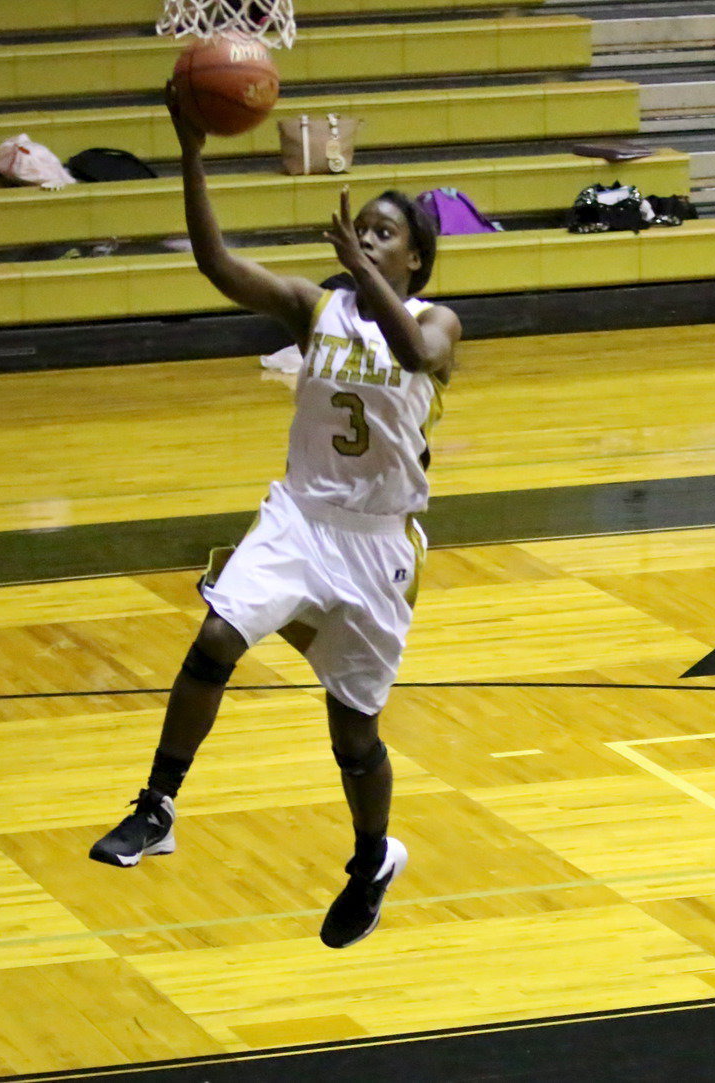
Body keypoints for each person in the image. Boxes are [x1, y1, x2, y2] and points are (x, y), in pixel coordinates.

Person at [89, 83, 460, 951]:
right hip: (300, 518)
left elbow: (414, 352)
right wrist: (192, 154)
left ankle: (372, 857)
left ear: (416, 258)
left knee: (354, 736)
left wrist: (363, 274)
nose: (366, 238)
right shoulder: (315, 307)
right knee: (216, 636)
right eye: (361, 229)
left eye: (383, 233)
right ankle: (157, 805)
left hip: (379, 546)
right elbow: (217, 264)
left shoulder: (437, 320)